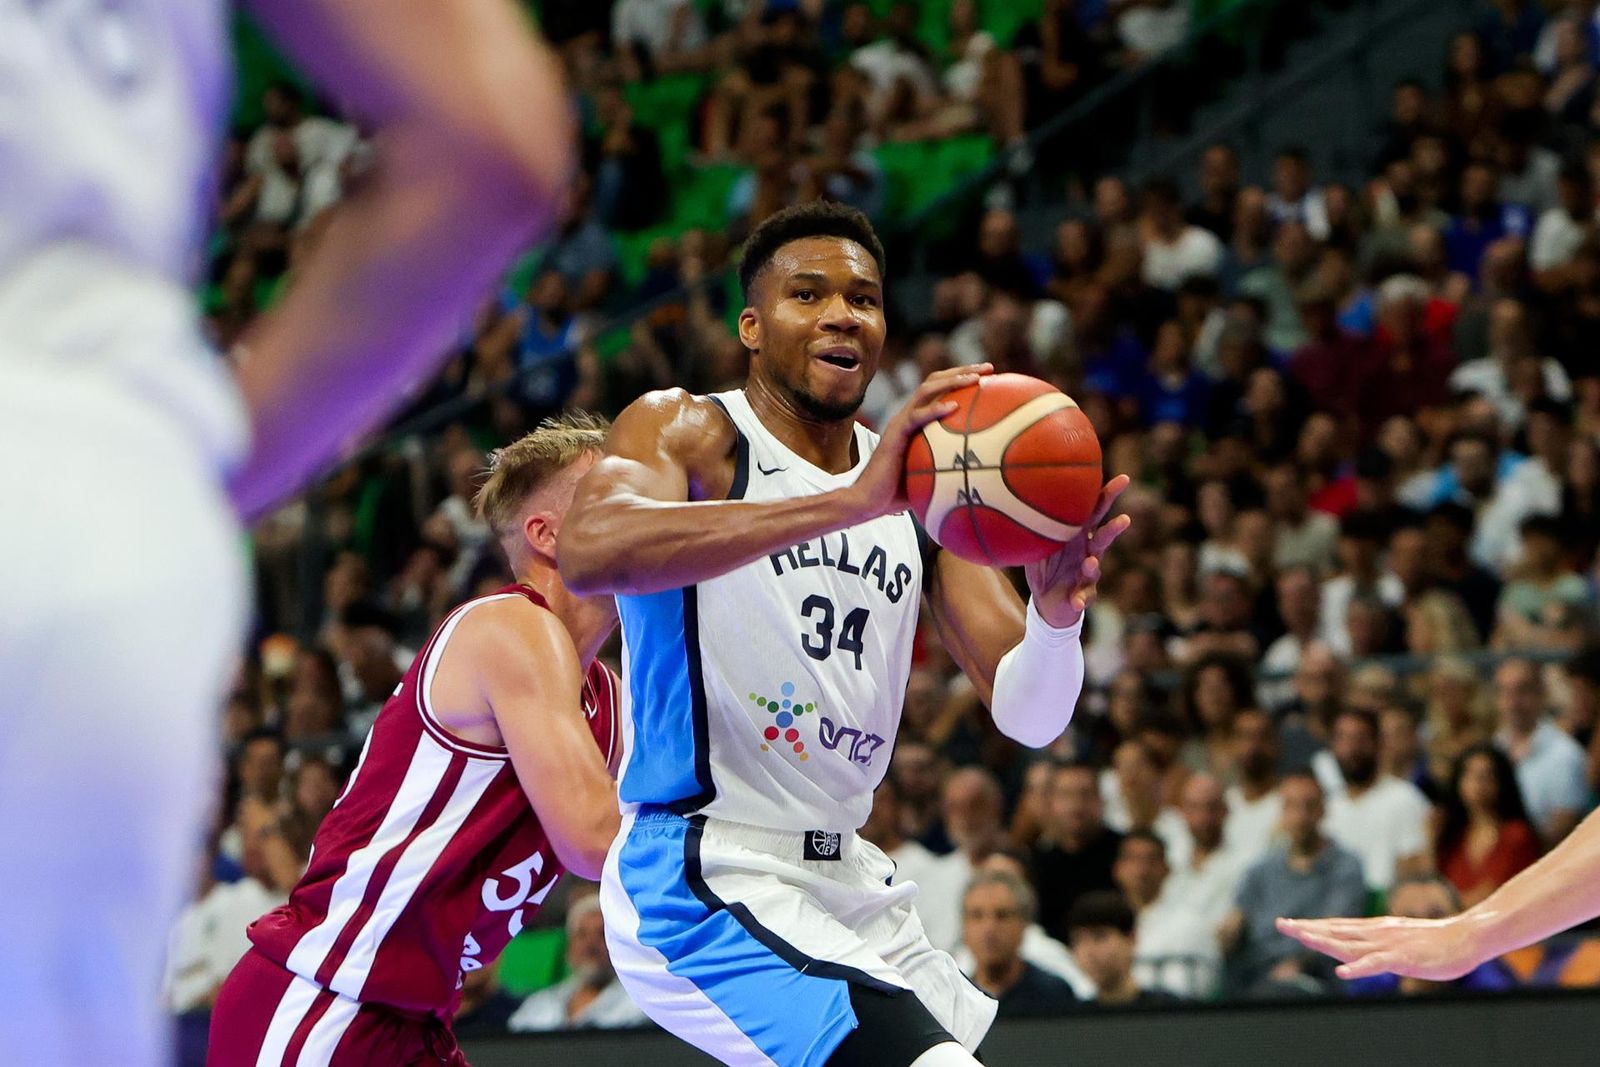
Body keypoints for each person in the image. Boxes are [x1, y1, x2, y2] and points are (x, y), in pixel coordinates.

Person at [1, 1, 575, 1062]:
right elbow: (497, 140)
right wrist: (196, 463)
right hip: (99, 479)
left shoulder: (600, 674)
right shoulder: (515, 634)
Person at [559, 201, 1129, 1067]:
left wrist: (1055, 618)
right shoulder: (690, 429)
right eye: (808, 294)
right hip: (704, 869)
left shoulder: (921, 482)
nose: (840, 313)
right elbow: (590, 550)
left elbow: (1032, 717)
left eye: (863, 298)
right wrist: (847, 503)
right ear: (752, 326)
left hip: (847, 876)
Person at [206, 416, 623, 1065]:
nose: (648, 509)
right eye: (616, 492)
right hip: (328, 997)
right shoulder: (511, 627)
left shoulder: (609, 695)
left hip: (416, 1019)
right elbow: (597, 840)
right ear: (548, 533)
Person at [1220, 773, 1367, 996]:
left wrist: (1298, 964)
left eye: (1309, 806)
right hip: (1256, 971)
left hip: (1314, 974)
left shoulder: (1345, 866)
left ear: (1323, 810)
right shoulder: (1261, 869)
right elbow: (1234, 921)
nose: (1300, 817)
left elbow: (1334, 932)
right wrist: (1224, 935)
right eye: (1291, 806)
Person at [507, 893, 649, 1031]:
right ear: (569, 947)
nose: (590, 945)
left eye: (601, 934)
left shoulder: (638, 1008)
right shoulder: (540, 1004)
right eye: (581, 934)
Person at [1434, 744, 1542, 908]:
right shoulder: (1452, 837)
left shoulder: (1516, 834)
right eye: (1469, 774)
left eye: (1486, 776)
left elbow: (1494, 894)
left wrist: (1447, 907)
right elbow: (1433, 887)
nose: (1477, 783)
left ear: (1501, 782)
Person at [960, 871, 1078, 1018]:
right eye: (977, 916)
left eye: (1002, 915)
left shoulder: (1054, 994)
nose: (989, 929)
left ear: (1024, 924)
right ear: (963, 926)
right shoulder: (954, 998)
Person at [1065, 892, 1180, 1006]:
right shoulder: (1074, 1017)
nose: (1089, 952)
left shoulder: (1167, 1009)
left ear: (1131, 938)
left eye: (1099, 937)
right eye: (1078, 940)